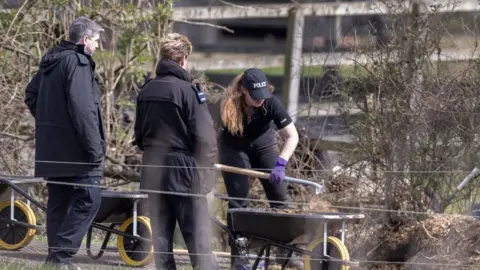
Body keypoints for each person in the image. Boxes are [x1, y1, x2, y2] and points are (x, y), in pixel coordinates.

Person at [24, 16, 105, 269]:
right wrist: (95, 149)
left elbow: (31, 94)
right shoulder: (77, 63)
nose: (97, 46)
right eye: (96, 40)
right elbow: (83, 111)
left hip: (53, 150)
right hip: (77, 152)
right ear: (84, 40)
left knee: (59, 203)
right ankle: (62, 257)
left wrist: (53, 124)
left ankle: (54, 261)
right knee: (89, 199)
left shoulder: (52, 61)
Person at [134, 33, 218, 270]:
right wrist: (206, 172)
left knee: (160, 238)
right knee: (198, 237)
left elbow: (139, 136)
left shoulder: (146, 90)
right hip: (183, 170)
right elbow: (206, 138)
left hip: (152, 167)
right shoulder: (188, 91)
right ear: (183, 59)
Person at [218, 68, 303, 269]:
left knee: (280, 196)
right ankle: (239, 257)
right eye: (255, 96)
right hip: (233, 148)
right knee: (238, 201)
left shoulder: (271, 102)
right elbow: (207, 133)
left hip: (263, 145)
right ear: (244, 91)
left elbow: (293, 136)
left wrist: (281, 163)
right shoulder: (227, 104)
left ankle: (284, 252)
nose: (260, 100)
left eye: (263, 95)